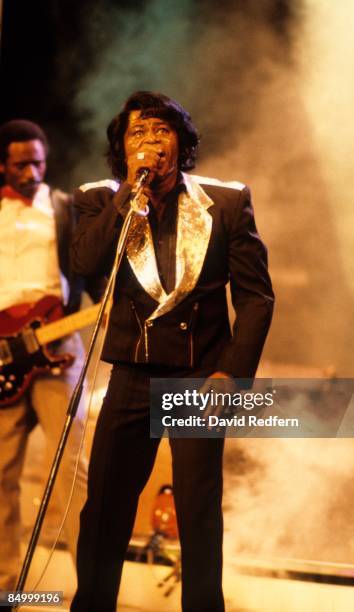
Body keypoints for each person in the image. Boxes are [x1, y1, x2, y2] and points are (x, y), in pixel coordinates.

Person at [70, 91, 274, 612]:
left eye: (162, 132)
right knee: (105, 510)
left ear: (182, 145)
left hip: (200, 378)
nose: (151, 142)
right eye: (138, 133)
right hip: (131, 377)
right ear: (122, 148)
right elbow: (85, 262)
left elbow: (256, 299)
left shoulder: (225, 202)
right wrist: (125, 198)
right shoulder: (100, 199)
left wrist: (232, 373)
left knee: (197, 511)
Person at [0, 120, 97, 594]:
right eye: (21, 164)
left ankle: (93, 590)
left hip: (56, 345)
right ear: (3, 164)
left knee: (72, 471)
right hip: (1, 354)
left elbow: (92, 267)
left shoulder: (63, 208)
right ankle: (6, 587)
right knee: (0, 476)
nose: (32, 171)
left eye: (38, 161)